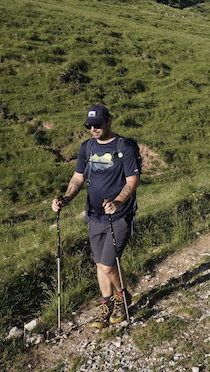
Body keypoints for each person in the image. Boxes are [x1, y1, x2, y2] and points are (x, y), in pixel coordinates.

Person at [52, 104, 141, 329]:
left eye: (97, 125)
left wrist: (118, 202)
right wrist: (66, 199)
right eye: (89, 125)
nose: (93, 129)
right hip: (94, 215)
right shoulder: (87, 147)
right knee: (100, 264)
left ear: (109, 121)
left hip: (119, 216)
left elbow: (132, 181)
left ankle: (122, 297)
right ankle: (106, 304)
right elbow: (77, 178)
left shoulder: (124, 146)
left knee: (109, 264)